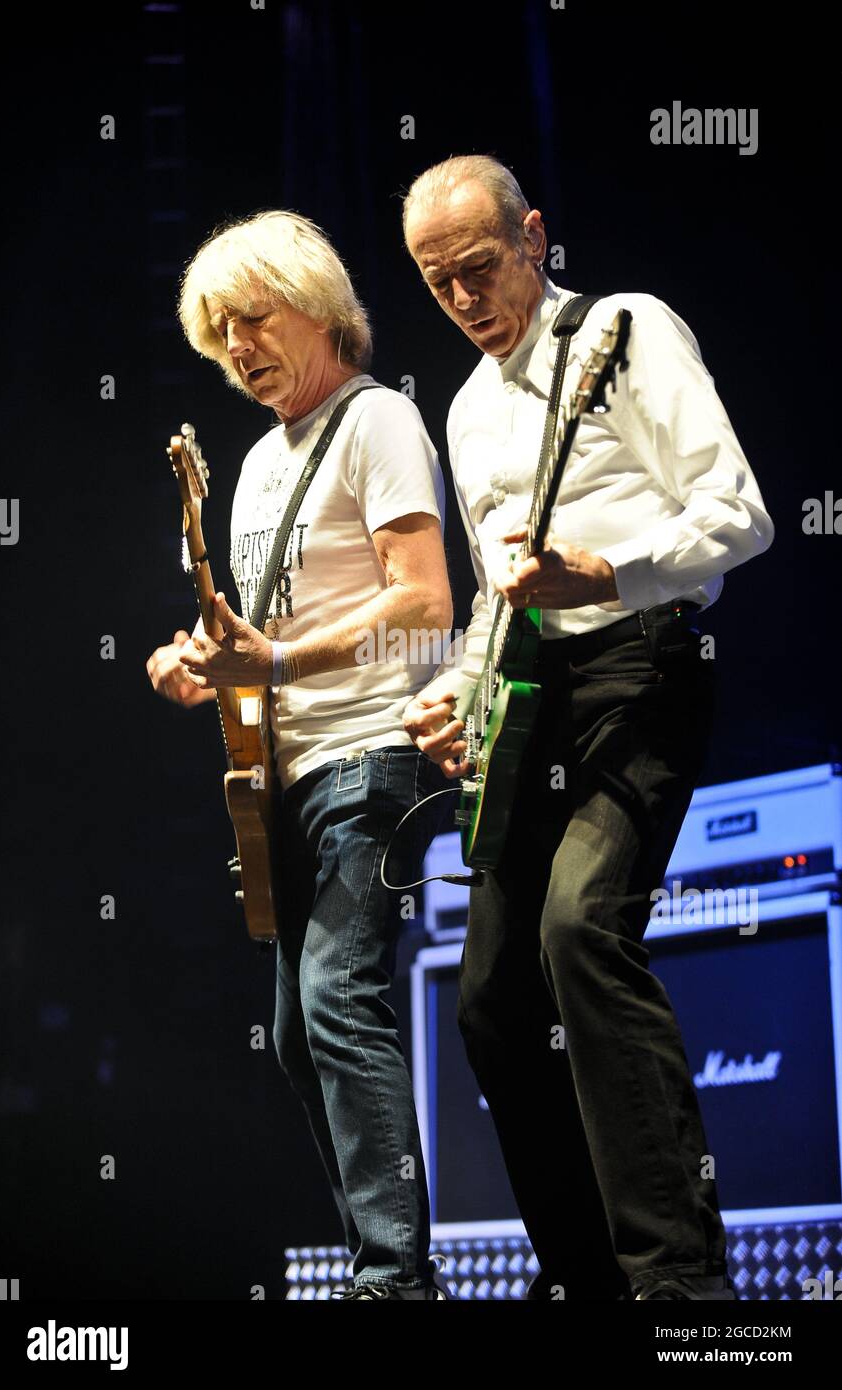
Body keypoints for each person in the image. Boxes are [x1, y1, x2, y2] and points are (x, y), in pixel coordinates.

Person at [401, 155, 774, 1302]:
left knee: (580, 931)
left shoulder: (623, 330)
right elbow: (489, 600)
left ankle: (680, 1285)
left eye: (477, 268)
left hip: (641, 666)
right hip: (529, 700)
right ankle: (583, 1285)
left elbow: (741, 516)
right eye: (435, 281)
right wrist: (454, 697)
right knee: (489, 1001)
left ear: (533, 237)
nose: (463, 299)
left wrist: (604, 569)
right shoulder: (463, 410)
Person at [146, 210, 454, 1299]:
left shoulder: (378, 423)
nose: (239, 347)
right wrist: (202, 662)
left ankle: (393, 1277)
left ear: (318, 305)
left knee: (336, 1002)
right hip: (289, 773)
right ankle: (389, 1257)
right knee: (293, 1038)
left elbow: (424, 608)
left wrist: (273, 662)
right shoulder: (254, 462)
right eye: (220, 331)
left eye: (255, 318)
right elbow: (265, 635)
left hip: (375, 753)